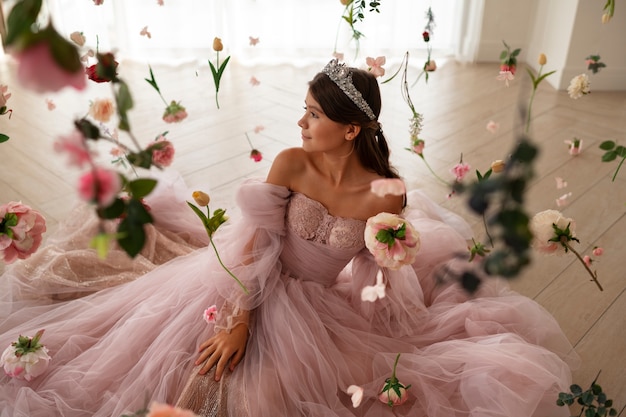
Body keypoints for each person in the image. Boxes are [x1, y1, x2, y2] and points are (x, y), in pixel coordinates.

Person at [0, 59, 578, 417]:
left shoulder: (386, 196)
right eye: (302, 110)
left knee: (275, 395)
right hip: (251, 282)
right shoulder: (291, 163)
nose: (301, 123)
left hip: (319, 303)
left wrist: (378, 319)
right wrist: (241, 318)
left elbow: (373, 271)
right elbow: (256, 244)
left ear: (351, 129)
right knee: (195, 365)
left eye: (314, 115)